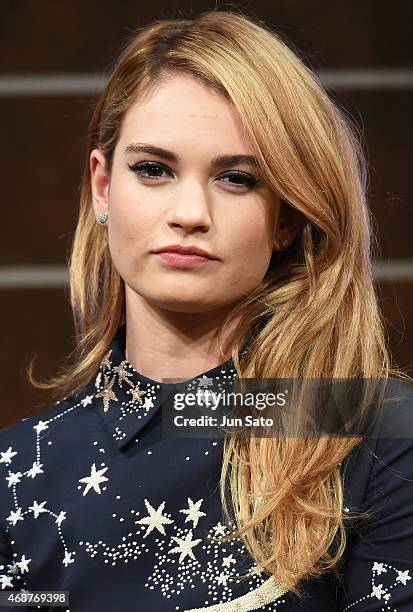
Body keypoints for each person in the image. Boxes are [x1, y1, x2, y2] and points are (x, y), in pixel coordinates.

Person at [1, 8, 413, 612]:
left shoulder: (372, 431)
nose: (190, 212)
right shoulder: (20, 470)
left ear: (289, 217)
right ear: (102, 187)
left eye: (237, 179)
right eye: (153, 169)